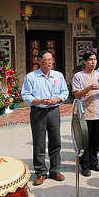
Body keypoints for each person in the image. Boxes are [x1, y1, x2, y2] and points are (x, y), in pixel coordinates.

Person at [21, 50, 69, 185]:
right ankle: (41, 172)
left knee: (56, 141)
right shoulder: (31, 77)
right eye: (47, 60)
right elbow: (25, 95)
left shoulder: (58, 75)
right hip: (38, 112)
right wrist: (40, 101)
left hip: (54, 111)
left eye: (52, 59)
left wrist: (58, 99)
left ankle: (55, 170)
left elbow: (65, 92)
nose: (50, 62)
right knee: (39, 143)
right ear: (39, 61)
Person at [71, 51, 99, 177]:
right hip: (84, 112)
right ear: (84, 61)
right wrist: (89, 88)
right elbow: (76, 95)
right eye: (90, 60)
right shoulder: (78, 76)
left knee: (96, 140)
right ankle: (85, 165)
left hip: (98, 112)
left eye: (94, 60)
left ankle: (94, 162)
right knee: (84, 140)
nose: (93, 62)